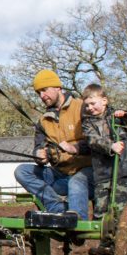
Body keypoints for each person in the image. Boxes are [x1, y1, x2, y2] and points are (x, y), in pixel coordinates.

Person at [13, 69, 94, 220]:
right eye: (38, 93)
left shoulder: (83, 108)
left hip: (88, 174)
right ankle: (57, 208)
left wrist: (76, 148)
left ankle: (77, 221)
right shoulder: (43, 121)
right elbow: (38, 147)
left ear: (58, 87)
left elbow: (97, 141)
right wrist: (39, 155)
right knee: (22, 171)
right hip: (60, 176)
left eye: (44, 90)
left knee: (77, 181)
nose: (42, 96)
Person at [81, 83, 127, 255]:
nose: (90, 108)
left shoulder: (118, 116)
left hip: (123, 170)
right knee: (100, 211)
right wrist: (111, 145)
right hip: (102, 173)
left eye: (93, 103)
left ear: (104, 100)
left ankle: (122, 246)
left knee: (120, 211)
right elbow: (92, 141)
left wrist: (126, 117)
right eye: (87, 105)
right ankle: (106, 245)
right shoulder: (87, 123)